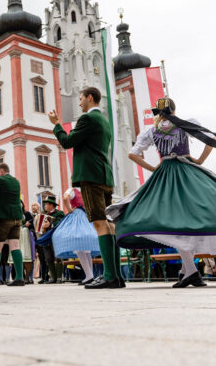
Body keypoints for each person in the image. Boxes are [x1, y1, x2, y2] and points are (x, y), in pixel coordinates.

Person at [108, 97, 216, 288]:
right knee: (190, 218)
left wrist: (154, 168)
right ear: (174, 109)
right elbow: (212, 140)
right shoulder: (185, 124)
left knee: (176, 220)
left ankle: (188, 270)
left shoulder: (151, 131)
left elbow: (132, 154)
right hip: (187, 171)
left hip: (165, 174)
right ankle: (189, 271)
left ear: (158, 111)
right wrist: (198, 161)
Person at [49, 87, 123, 289]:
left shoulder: (87, 119)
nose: (79, 102)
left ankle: (109, 275)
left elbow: (67, 142)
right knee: (109, 224)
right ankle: (116, 275)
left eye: (81, 99)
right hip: (105, 176)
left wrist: (56, 125)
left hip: (90, 176)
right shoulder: (105, 121)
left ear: (90, 98)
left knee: (99, 223)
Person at [52, 188, 100, 285]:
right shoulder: (84, 190)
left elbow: (65, 197)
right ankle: (90, 275)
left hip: (77, 215)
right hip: (86, 216)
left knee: (78, 247)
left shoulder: (71, 189)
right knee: (86, 248)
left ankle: (89, 276)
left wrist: (69, 210)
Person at [34, 196, 65, 283]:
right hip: (45, 238)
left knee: (57, 257)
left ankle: (59, 277)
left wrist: (50, 224)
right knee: (48, 258)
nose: (45, 206)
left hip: (55, 238)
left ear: (52, 205)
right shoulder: (43, 215)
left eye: (46, 204)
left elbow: (60, 223)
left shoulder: (59, 213)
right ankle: (53, 277)